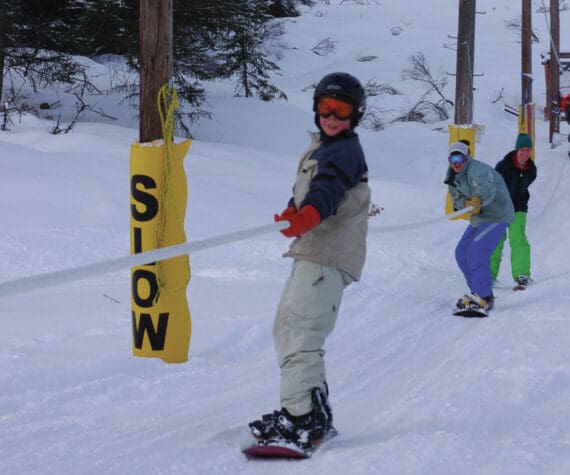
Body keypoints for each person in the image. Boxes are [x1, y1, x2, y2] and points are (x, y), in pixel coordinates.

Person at [248, 72, 370, 448]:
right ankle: (310, 410)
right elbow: (306, 193)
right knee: (288, 328)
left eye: (342, 110)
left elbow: (327, 190)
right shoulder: (322, 148)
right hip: (314, 252)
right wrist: (292, 212)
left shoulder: (343, 151)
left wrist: (308, 215)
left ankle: (300, 419)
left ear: (356, 115)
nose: (332, 117)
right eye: (325, 108)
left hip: (326, 255)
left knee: (300, 333)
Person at [444, 141, 515, 313]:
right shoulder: (452, 176)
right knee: (461, 253)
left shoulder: (477, 170)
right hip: (480, 217)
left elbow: (487, 188)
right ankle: (478, 293)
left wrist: (479, 199)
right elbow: (456, 199)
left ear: (466, 157)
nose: (456, 162)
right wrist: (465, 202)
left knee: (476, 251)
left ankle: (483, 297)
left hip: (497, 214)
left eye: (459, 157)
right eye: (452, 158)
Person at [490, 133, 537, 289]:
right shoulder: (504, 166)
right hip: (500, 208)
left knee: (519, 239)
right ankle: (488, 275)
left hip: (518, 208)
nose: (525, 153)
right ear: (517, 150)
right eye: (522, 149)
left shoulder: (532, 169)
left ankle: (522, 275)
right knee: (496, 241)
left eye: (528, 150)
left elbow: (525, 185)